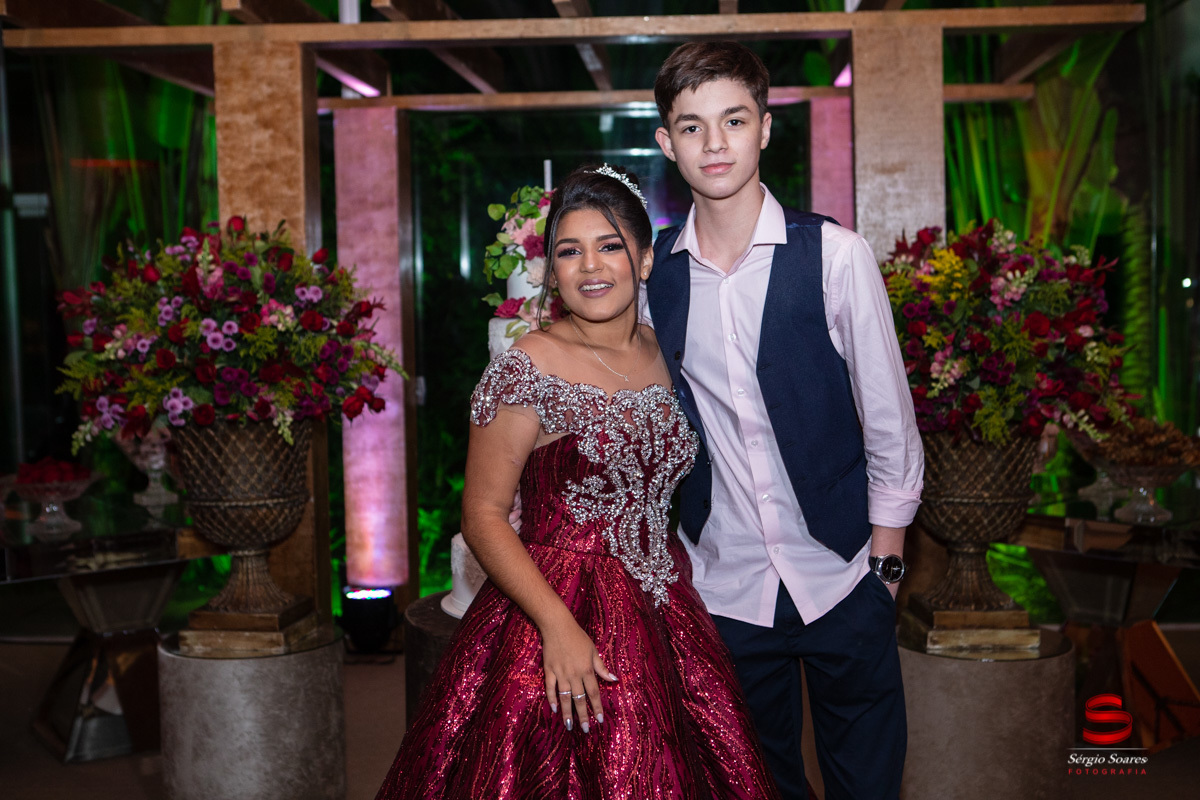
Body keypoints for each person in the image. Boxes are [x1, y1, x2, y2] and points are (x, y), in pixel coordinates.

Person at [375, 165, 781, 800]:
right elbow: (482, 515)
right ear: (553, 271)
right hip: (557, 603)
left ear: (645, 260)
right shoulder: (528, 365)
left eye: (609, 245)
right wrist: (556, 626)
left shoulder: (666, 350)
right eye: (569, 251)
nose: (590, 266)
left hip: (668, 604)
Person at [644, 42, 924, 800]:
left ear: (765, 128)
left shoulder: (835, 256)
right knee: (756, 788)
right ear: (668, 143)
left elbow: (890, 423)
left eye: (734, 120)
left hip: (845, 577)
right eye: (692, 126)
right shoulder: (657, 279)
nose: (715, 143)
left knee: (867, 785)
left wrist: (885, 570)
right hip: (726, 588)